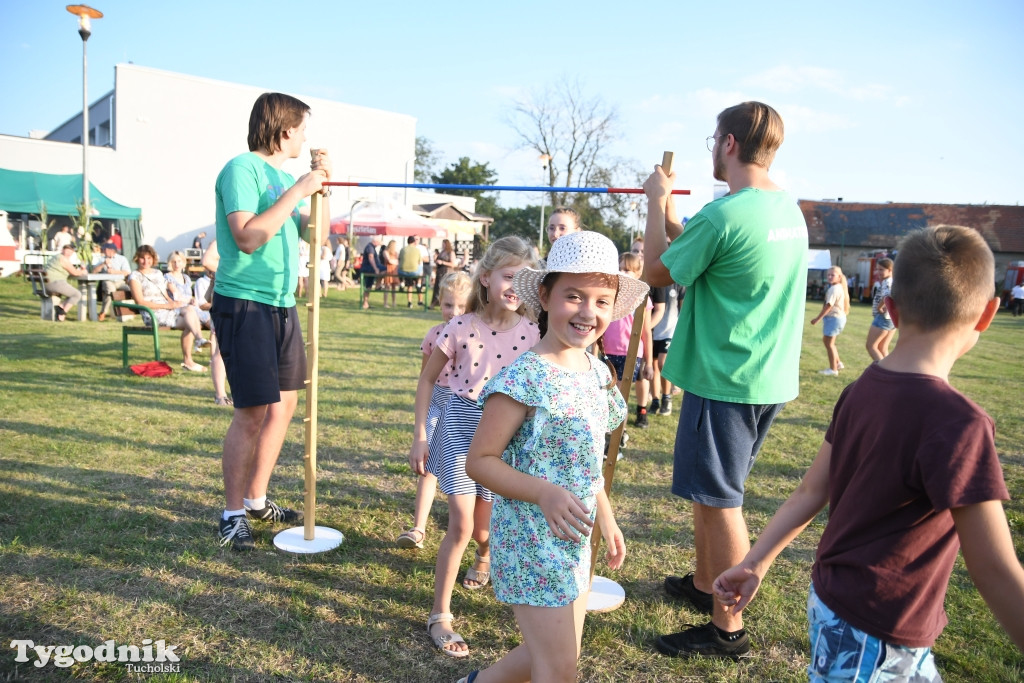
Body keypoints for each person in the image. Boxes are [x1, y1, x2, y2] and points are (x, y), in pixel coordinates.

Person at [713, 225, 1024, 678]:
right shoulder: (960, 424)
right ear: (988, 313)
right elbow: (994, 568)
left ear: (890, 309)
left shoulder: (861, 390)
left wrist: (755, 562)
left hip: (837, 604)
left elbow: (808, 491)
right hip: (873, 631)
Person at [641, 101, 808, 658]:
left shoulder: (725, 214)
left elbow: (655, 271)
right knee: (709, 492)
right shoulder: (783, 208)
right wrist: (672, 216)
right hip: (764, 376)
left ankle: (727, 629)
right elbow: (700, 243)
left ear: (729, 144)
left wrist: (655, 202)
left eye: (714, 138)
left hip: (724, 379)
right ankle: (705, 584)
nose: (712, 147)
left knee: (719, 499)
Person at [454, 231, 648, 683]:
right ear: (544, 295)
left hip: (572, 538)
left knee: (555, 654)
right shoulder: (524, 377)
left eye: (602, 301)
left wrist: (606, 516)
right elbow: (479, 461)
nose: (588, 311)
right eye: (574, 296)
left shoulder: (599, 373)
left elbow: (586, 462)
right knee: (560, 670)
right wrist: (543, 493)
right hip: (530, 542)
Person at [210, 91, 331, 551]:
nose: (304, 139)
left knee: (282, 408)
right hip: (244, 302)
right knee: (252, 412)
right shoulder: (242, 168)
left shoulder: (282, 179)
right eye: (302, 130)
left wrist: (320, 190)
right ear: (284, 132)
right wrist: (299, 189)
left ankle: (257, 499)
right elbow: (246, 237)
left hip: (282, 303)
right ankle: (232, 513)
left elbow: (314, 234)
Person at [410, 235, 538, 658]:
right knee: (462, 525)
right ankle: (440, 614)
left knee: (485, 531)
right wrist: (421, 434)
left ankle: (484, 556)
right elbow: (428, 379)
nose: (516, 285)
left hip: (503, 432)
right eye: (508, 275)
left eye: (525, 277)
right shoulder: (460, 327)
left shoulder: (535, 332)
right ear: (486, 278)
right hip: (460, 424)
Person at [397, 271, 473, 550]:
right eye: (448, 305)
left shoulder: (477, 335)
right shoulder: (433, 335)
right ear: (439, 303)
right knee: (428, 468)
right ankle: (418, 527)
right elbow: (425, 379)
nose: (454, 313)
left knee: (466, 468)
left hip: (463, 406)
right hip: (437, 404)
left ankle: (468, 528)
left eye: (462, 306)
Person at [127, 245, 208, 372]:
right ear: (137, 259)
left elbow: (165, 294)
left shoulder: (158, 273)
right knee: (190, 320)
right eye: (142, 258)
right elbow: (140, 301)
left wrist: (173, 303)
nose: (146, 261)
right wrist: (167, 305)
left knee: (190, 311)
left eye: (149, 258)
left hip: (167, 310)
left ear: (153, 259)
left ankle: (196, 346)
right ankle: (193, 353)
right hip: (152, 314)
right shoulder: (135, 276)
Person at [601, 252, 655, 429]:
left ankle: (619, 433)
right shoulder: (610, 294)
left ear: (638, 273)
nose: (622, 272)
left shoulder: (642, 299)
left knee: (621, 396)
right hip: (608, 351)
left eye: (628, 269)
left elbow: (646, 332)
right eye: (620, 268)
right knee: (606, 394)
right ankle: (608, 430)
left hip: (630, 353)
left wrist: (649, 363)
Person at [197, 240, 231, 406]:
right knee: (222, 351)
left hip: (242, 301)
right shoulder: (220, 241)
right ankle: (220, 395)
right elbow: (207, 261)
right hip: (226, 303)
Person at [810, 265, 850, 376]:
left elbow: (828, 306)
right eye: (828, 275)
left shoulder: (834, 289)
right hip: (837, 318)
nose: (830, 277)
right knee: (828, 342)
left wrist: (817, 319)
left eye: (832, 275)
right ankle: (837, 363)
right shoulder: (838, 287)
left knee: (829, 344)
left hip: (834, 319)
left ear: (839, 277)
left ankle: (833, 369)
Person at [649, 282, 681, 416]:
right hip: (651, 330)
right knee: (653, 365)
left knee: (663, 364)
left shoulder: (678, 283)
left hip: (669, 331)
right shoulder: (652, 282)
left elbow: (683, 307)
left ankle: (666, 397)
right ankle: (655, 400)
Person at [43, 243, 87, 322]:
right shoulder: (63, 259)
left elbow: (71, 270)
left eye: (71, 251)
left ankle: (60, 308)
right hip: (55, 283)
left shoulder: (56, 257)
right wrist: (83, 271)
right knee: (77, 294)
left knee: (71, 294)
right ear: (63, 250)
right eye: (67, 250)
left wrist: (78, 271)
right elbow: (74, 272)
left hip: (49, 283)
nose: (69, 252)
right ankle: (62, 314)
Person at [90, 241, 131, 321]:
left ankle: (132, 310)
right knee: (110, 292)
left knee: (131, 289)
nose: (104, 251)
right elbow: (94, 271)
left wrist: (114, 272)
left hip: (120, 281)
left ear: (111, 250)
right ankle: (103, 312)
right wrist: (102, 264)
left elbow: (127, 272)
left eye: (105, 249)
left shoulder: (122, 259)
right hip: (108, 281)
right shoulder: (102, 259)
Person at [866, 257, 895, 361]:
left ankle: (882, 373)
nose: (878, 272)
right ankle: (889, 373)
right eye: (877, 269)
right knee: (882, 348)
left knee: (871, 346)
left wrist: (879, 307)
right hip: (891, 319)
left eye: (881, 269)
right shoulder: (893, 281)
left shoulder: (887, 282)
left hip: (883, 318)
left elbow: (888, 295)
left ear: (890, 270)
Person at [430, 239, 458, 308]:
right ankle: (434, 303)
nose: (442, 245)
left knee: (444, 289)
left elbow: (453, 264)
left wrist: (442, 262)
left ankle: (444, 304)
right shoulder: (442, 252)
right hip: (439, 272)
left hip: (446, 272)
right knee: (437, 289)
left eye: (444, 244)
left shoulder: (450, 252)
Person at [398, 236, 424, 308]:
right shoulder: (417, 250)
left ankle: (409, 302)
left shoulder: (402, 249)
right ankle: (418, 284)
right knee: (420, 267)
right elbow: (420, 261)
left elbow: (399, 259)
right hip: (414, 272)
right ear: (414, 242)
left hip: (402, 271)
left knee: (409, 286)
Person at [360, 235, 383, 309]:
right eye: (379, 242)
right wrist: (376, 268)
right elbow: (371, 258)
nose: (380, 243)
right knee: (387, 269)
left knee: (368, 286)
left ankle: (365, 304)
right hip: (369, 268)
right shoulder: (370, 247)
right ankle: (378, 285)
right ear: (375, 241)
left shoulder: (371, 247)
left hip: (369, 268)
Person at [381, 239, 400, 307]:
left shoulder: (396, 253)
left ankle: (394, 302)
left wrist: (394, 261)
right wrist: (394, 261)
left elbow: (398, 261)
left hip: (394, 270)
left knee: (394, 287)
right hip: (388, 270)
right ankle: (385, 303)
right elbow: (389, 260)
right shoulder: (385, 252)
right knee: (387, 286)